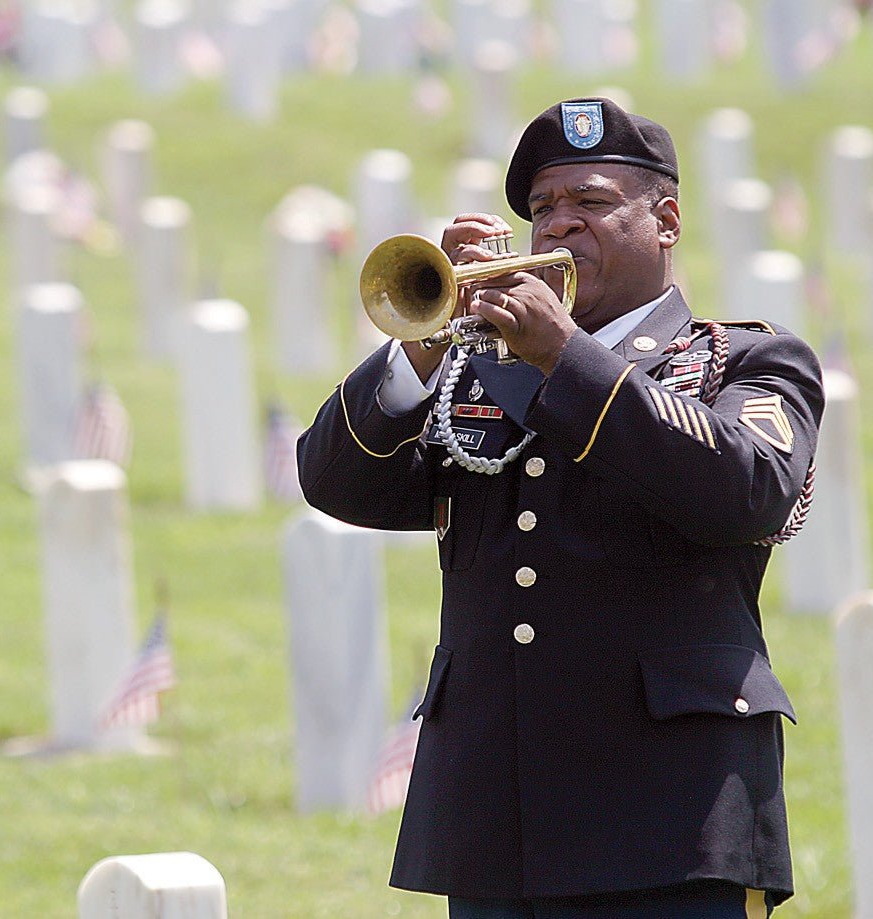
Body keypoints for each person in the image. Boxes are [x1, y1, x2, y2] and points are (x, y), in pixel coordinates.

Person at [296, 97, 823, 919]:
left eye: (592, 202)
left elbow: (746, 490)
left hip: (673, 820)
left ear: (667, 218)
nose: (559, 227)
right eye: (543, 209)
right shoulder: (476, 374)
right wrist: (422, 345)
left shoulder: (744, 359)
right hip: (494, 820)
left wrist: (565, 358)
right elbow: (335, 480)